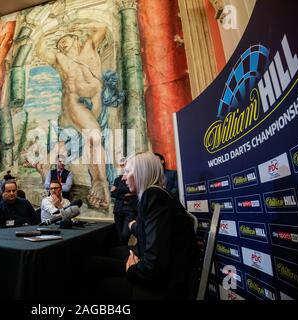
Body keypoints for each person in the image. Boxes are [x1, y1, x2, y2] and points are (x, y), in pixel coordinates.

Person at [86, 152, 198, 300]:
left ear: (141, 173)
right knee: (93, 263)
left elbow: (153, 266)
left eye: (127, 172)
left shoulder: (153, 195)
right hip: (161, 274)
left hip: (163, 287)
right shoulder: (157, 194)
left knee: (94, 277)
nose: (124, 177)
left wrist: (132, 268)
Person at [36, 21, 111, 208]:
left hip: (95, 104)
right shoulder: (61, 58)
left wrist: (74, 25)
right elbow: (41, 51)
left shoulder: (89, 47)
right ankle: (100, 181)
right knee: (94, 135)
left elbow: (102, 27)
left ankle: (44, 166)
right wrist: (46, 31)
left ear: (76, 38)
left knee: (74, 144)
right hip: (74, 103)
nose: (62, 45)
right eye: (59, 44)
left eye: (65, 40)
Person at [110, 158, 137, 245]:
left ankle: (125, 251)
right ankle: (124, 254)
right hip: (118, 208)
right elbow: (112, 193)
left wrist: (119, 189)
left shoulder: (134, 177)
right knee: (119, 235)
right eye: (121, 165)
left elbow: (133, 191)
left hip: (130, 208)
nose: (122, 167)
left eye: (124, 165)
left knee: (125, 234)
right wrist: (126, 194)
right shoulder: (118, 179)